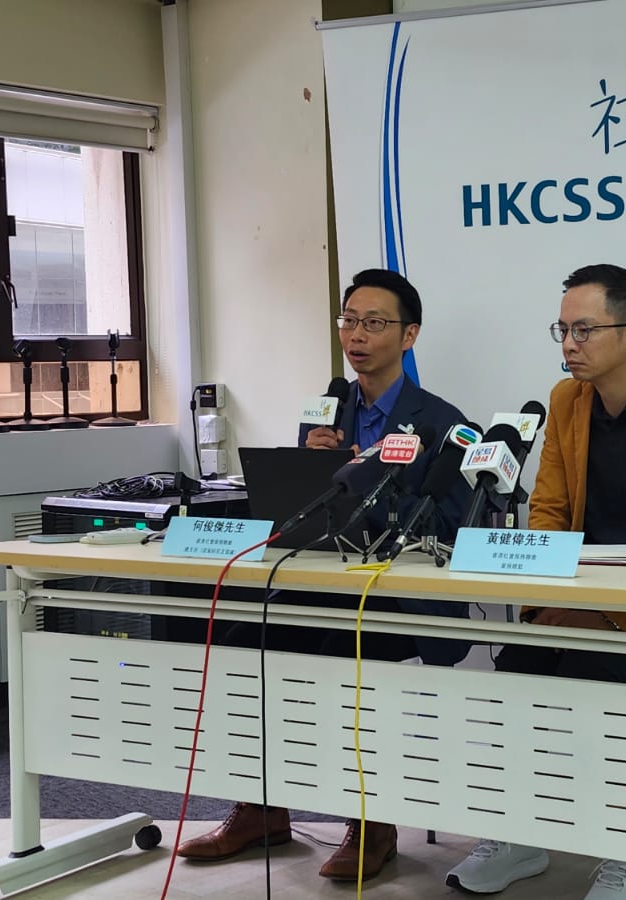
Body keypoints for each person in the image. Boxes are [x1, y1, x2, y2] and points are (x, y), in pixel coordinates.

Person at [444, 264, 626, 900]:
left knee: (600, 672)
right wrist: (554, 604)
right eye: (562, 330)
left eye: (584, 330)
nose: (569, 344)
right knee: (515, 667)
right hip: (581, 599)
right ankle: (519, 835)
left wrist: (608, 615)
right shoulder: (565, 401)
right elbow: (549, 514)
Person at [177, 268, 472, 882]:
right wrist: (311, 470)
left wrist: (376, 487)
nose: (356, 335)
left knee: (344, 657)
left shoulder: (442, 422)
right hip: (325, 586)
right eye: (349, 321)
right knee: (242, 645)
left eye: (374, 323)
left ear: (409, 335)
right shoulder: (327, 411)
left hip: (399, 597)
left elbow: (453, 526)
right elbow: (300, 514)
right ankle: (260, 810)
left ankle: (372, 824)